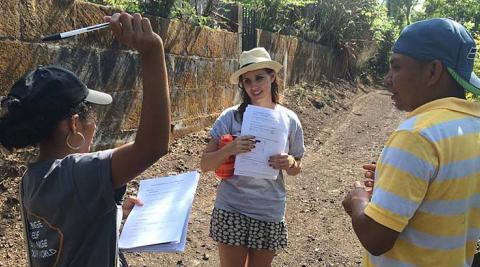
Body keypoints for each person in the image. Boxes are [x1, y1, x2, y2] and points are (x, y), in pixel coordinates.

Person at [0, 12, 170, 266]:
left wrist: (114, 216)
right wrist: (153, 51)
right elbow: (153, 146)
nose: (96, 125)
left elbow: (69, 227)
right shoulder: (78, 172)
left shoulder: (31, 179)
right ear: (74, 124)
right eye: (92, 117)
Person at [342, 18, 480, 266]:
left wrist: (358, 200)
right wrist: (393, 179)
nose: (387, 78)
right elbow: (448, 194)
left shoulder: (417, 135)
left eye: (395, 67)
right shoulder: (474, 126)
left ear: (432, 71)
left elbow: (376, 238)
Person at [200, 47, 305, 267]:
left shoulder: (289, 120)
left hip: (269, 210)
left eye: (259, 78)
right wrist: (230, 149)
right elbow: (205, 164)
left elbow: (297, 167)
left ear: (272, 77)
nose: (253, 86)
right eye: (247, 81)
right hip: (232, 207)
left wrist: (290, 162)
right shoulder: (230, 117)